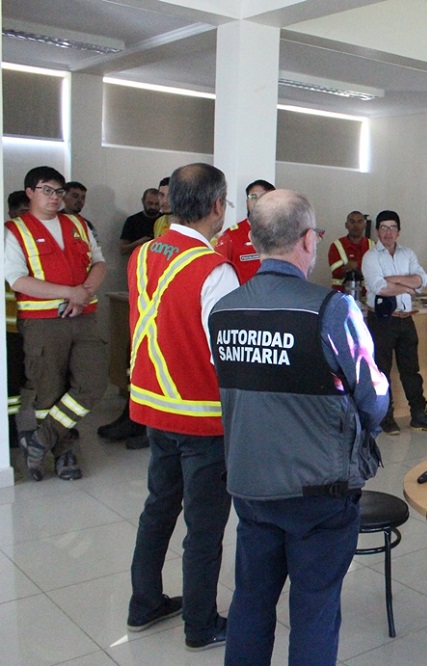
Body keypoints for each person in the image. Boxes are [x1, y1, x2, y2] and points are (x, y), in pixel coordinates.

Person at [209, 189, 389, 666]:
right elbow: (373, 400)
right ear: (309, 240)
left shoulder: (224, 311)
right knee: (314, 610)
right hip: (319, 494)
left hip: (250, 486)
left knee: (250, 602)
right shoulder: (332, 309)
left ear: (252, 239)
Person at [126, 163, 238, 652]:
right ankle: (200, 624)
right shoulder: (215, 270)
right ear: (216, 206)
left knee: (159, 508)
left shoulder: (143, 253)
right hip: (200, 417)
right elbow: (227, 356)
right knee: (205, 525)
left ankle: (144, 603)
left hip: (152, 406)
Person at [5, 166, 107, 481]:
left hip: (84, 316)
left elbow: (99, 263)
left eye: (59, 191)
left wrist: (83, 293)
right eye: (47, 190)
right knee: (49, 390)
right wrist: (68, 292)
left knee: (93, 382)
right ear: (30, 193)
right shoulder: (15, 230)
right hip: (42, 322)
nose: (55, 197)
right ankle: (63, 455)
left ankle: (39, 439)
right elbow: (18, 280)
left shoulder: (78, 224)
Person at [361, 210, 427, 434]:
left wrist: (397, 282)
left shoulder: (407, 254)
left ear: (398, 231)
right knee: (381, 371)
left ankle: (419, 414)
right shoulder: (370, 257)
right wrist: (408, 286)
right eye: (383, 227)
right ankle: (385, 416)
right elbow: (380, 287)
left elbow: (422, 280)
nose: (388, 232)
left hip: (406, 320)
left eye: (392, 227)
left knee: (411, 370)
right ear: (378, 231)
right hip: (382, 320)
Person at [5, 192, 30, 448]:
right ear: (11, 211)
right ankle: (10, 429)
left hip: (30, 321)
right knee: (11, 380)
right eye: (22, 212)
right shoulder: (6, 237)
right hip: (9, 323)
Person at [215, 179, 275, 284]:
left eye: (264, 196)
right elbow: (218, 275)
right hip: (244, 298)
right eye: (253, 197)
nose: (258, 200)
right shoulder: (231, 236)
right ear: (247, 202)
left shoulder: (286, 231)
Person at [328, 210, 373, 292]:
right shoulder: (336, 246)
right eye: (352, 222)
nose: (356, 225)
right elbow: (337, 272)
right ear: (346, 225)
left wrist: (356, 265)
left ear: (365, 225)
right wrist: (364, 268)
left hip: (368, 300)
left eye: (359, 222)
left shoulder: (373, 246)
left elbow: (378, 271)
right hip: (342, 297)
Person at [119, 188, 161, 256]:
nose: (153, 207)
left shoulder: (166, 220)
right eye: (150, 203)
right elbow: (122, 250)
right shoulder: (132, 221)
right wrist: (138, 243)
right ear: (143, 201)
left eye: (157, 204)